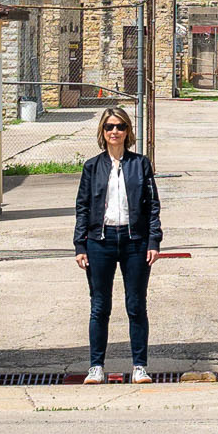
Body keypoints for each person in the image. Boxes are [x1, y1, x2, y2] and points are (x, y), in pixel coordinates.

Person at [72, 105, 162, 383]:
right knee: (100, 305)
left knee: (136, 305)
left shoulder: (140, 164)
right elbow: (83, 207)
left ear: (127, 131)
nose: (115, 132)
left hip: (135, 241)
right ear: (102, 131)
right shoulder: (92, 166)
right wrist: (80, 245)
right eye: (109, 127)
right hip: (101, 241)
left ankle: (139, 367)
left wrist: (153, 241)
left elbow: (153, 205)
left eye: (120, 127)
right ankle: (96, 367)